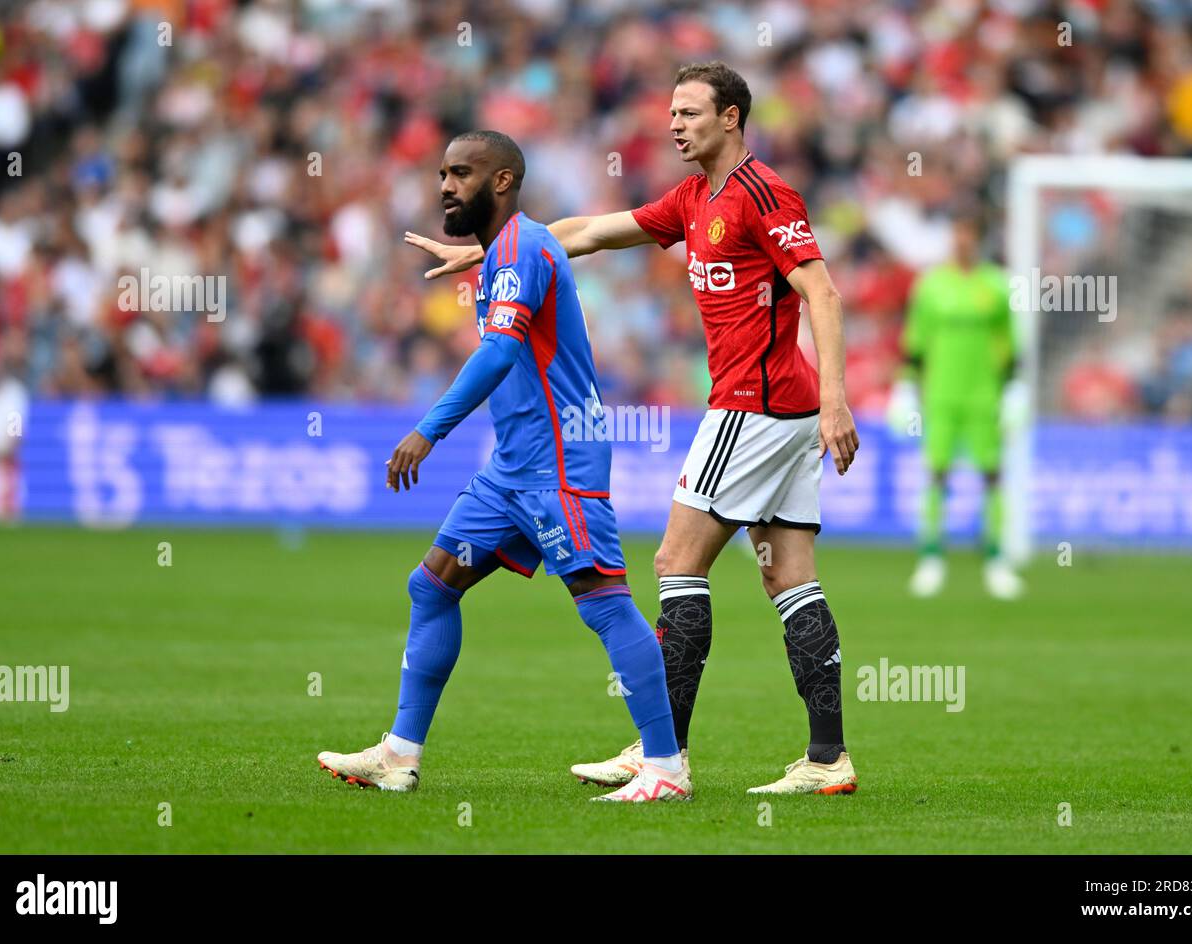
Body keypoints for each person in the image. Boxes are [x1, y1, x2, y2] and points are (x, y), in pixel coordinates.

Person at [407, 63, 861, 796]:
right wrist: (493, 250)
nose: (675, 124)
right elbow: (586, 232)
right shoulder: (692, 199)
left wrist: (839, 399)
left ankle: (662, 752)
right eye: (672, 112)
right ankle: (827, 758)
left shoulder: (764, 194)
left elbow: (823, 291)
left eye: (690, 112)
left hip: (755, 405)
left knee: (676, 564)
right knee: (790, 578)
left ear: (733, 118)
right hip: (780, 412)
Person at [316, 131, 688, 802]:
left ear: (502, 182)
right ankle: (399, 754)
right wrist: (481, 255)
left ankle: (666, 765)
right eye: (441, 173)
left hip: (559, 465)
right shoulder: (509, 251)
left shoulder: (522, 247)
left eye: (462, 173)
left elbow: (496, 353)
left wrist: (428, 431)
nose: (445, 185)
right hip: (512, 469)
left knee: (604, 604)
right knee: (432, 585)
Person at [888, 212, 1026, 600]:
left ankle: (996, 560)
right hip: (941, 396)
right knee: (936, 474)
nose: (962, 241)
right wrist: (905, 388)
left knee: (992, 475)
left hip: (985, 396)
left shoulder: (996, 285)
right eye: (957, 233)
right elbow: (916, 342)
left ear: (978, 239)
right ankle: (931, 558)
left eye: (969, 233)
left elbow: (1008, 343)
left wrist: (1014, 389)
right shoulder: (931, 285)